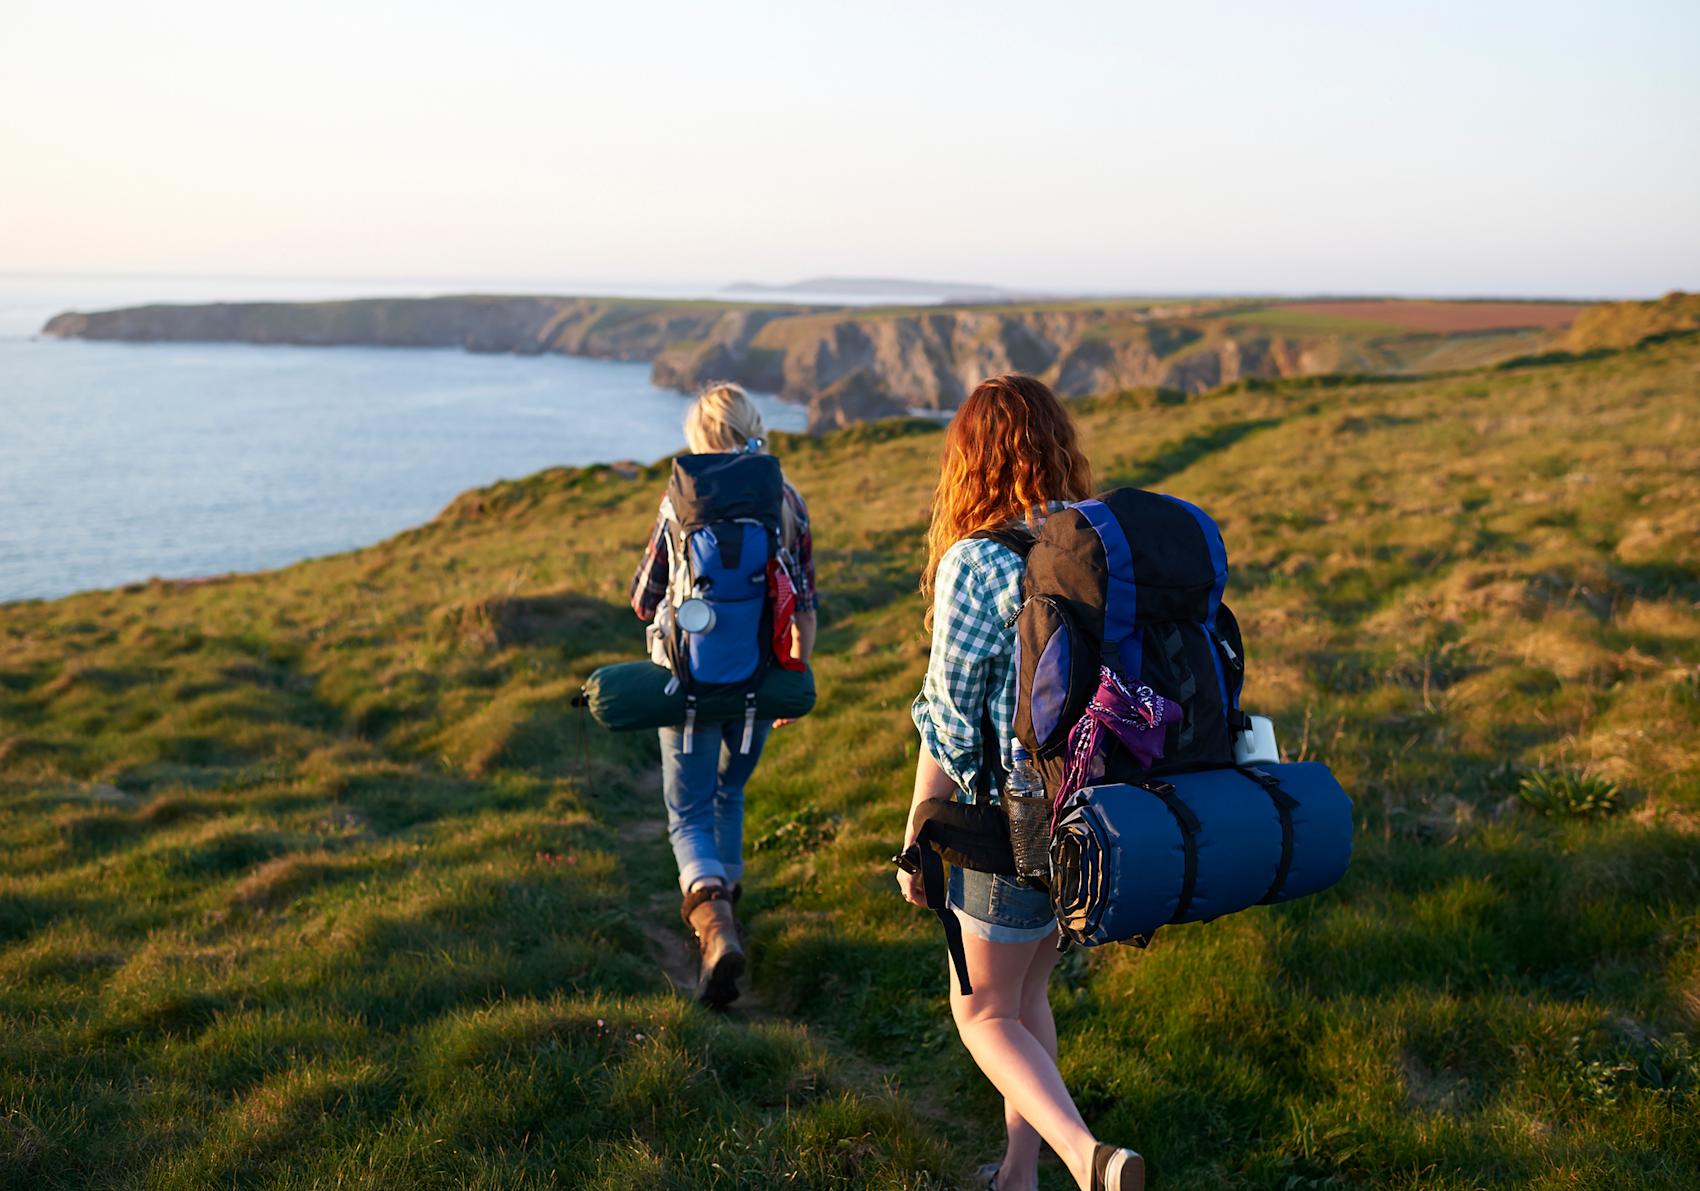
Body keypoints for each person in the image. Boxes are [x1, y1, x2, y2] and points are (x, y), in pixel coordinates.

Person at [898, 375, 1146, 1191]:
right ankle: (1016, 1174)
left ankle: (1086, 1157)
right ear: (1056, 444)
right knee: (1026, 995)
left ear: (972, 460)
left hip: (1006, 827)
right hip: (1093, 815)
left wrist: (914, 841)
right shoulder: (1094, 546)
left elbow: (947, 719)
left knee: (981, 1013)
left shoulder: (976, 561)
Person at [631, 382, 817, 1007]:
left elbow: (643, 598)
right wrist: (793, 674)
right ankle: (727, 914)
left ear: (698, 437)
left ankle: (713, 924)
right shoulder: (785, 498)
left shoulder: (680, 500)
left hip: (686, 684)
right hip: (759, 684)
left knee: (687, 812)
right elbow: (806, 606)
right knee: (729, 791)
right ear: (752, 427)